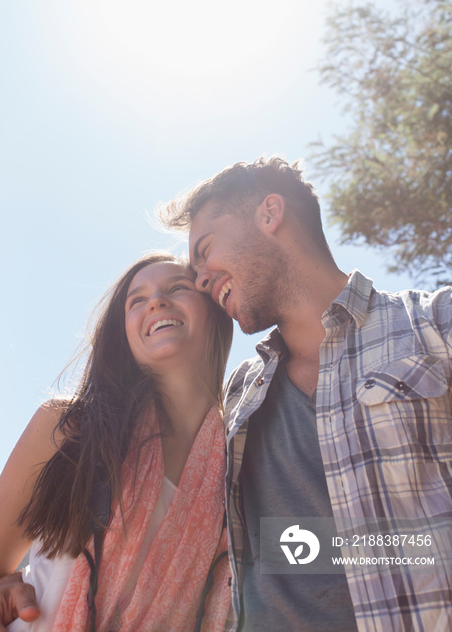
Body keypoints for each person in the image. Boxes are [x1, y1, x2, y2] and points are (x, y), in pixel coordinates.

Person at [159, 157, 452, 631]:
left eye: (205, 249)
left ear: (270, 214)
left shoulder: (433, 325)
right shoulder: (236, 396)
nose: (200, 280)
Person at [0, 252, 233, 631]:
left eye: (177, 288)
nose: (156, 301)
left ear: (215, 312)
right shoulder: (71, 429)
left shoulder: (243, 463)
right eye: (137, 300)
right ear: (125, 334)